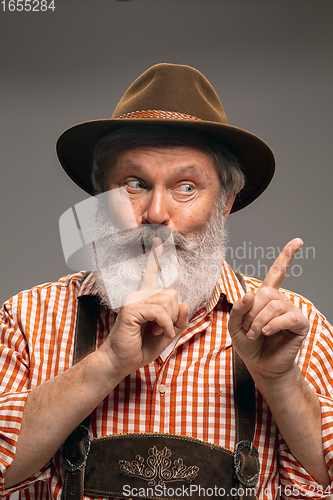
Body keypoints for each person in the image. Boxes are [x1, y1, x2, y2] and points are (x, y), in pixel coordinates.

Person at [0, 63, 332, 500]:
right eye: (134, 184)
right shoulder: (26, 319)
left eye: (186, 187)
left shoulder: (292, 328)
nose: (156, 213)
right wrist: (106, 365)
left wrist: (281, 381)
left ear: (226, 202)